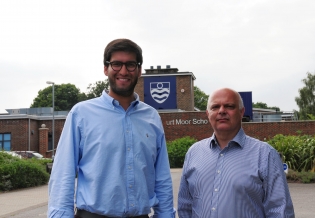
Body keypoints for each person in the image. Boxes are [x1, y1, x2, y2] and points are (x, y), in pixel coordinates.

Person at [48, 39, 175, 218]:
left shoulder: (152, 117)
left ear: (139, 70)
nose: (123, 71)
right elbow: (63, 174)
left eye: (130, 65)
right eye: (116, 64)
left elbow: (161, 176)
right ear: (106, 68)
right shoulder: (81, 114)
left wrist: (166, 215)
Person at [177, 88, 295, 218]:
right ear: (207, 113)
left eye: (229, 106)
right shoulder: (194, 153)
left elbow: (279, 210)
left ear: (241, 112)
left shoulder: (265, 155)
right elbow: (185, 206)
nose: (222, 111)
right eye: (215, 107)